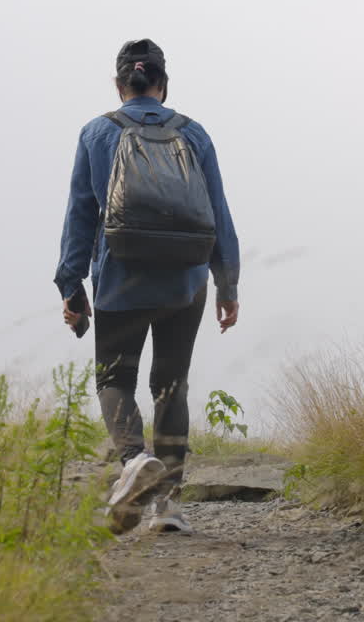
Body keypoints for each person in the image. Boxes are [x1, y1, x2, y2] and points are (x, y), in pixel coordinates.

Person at [54, 38, 240, 534]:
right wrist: (227, 284)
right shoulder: (194, 134)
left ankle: (135, 461)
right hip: (186, 277)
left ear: (120, 86)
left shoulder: (97, 132)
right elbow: (218, 210)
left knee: (114, 379)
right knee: (171, 383)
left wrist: (71, 287)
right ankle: (169, 508)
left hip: (120, 274)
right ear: (163, 84)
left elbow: (80, 213)